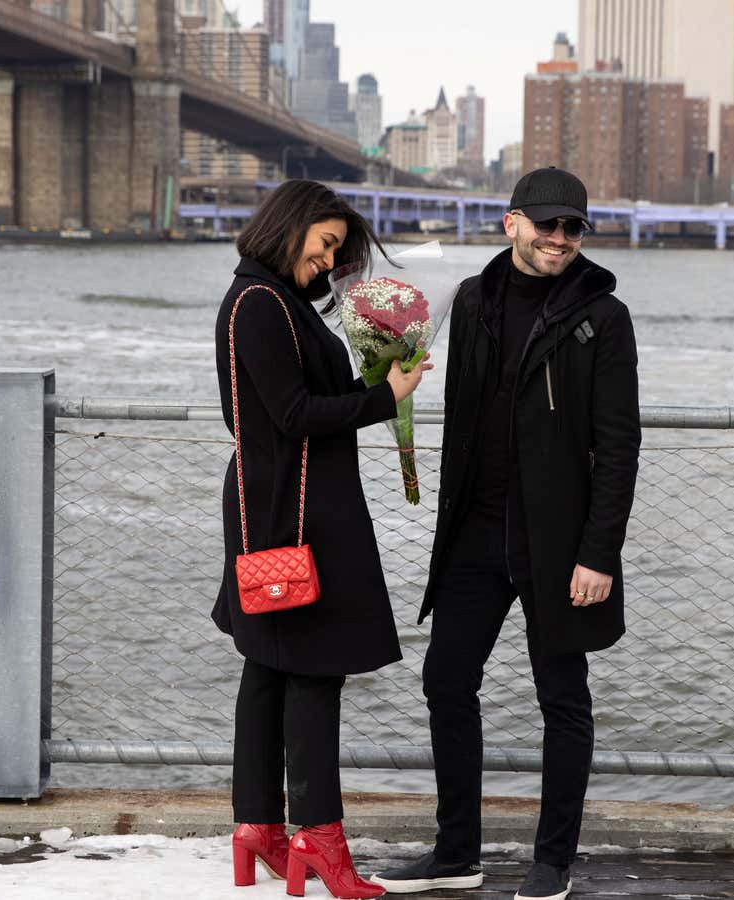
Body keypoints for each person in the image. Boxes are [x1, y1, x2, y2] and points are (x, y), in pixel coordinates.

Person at [372, 168, 641, 900]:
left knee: (563, 695)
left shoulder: (602, 316)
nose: (560, 239)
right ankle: (455, 853)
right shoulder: (472, 299)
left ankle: (552, 861)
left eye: (573, 228)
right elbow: (465, 413)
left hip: (557, 545)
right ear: (511, 223)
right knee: (446, 679)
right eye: (548, 225)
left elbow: (619, 445)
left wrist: (598, 553)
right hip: (474, 533)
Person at [214, 179, 433, 900]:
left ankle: (260, 828)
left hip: (278, 502)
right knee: (313, 671)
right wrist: (384, 398)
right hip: (294, 513)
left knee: (271, 666)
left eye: (338, 249)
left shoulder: (265, 301)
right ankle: (318, 839)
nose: (329, 259)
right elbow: (295, 411)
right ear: (293, 224)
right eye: (326, 243)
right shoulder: (261, 306)